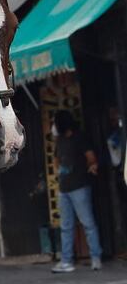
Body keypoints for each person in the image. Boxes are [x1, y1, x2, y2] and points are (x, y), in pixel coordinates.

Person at [51, 110, 102, 273]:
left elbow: (91, 157)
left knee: (88, 223)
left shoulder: (80, 137)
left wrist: (92, 166)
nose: (53, 126)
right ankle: (66, 261)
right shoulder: (59, 140)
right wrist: (60, 170)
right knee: (66, 226)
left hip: (80, 186)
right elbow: (56, 158)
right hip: (64, 188)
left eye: (55, 122)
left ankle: (96, 258)